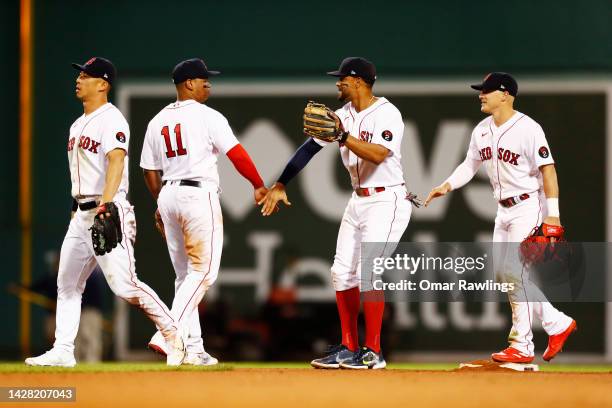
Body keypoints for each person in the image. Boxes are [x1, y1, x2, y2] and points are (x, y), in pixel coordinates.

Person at [25, 57, 186, 367]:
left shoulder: (112, 119)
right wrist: (78, 212)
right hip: (81, 214)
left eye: (86, 76)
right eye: (80, 75)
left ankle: (173, 332)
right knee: (67, 283)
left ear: (103, 84)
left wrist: (106, 205)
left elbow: (116, 161)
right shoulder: (76, 124)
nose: (79, 80)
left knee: (125, 285)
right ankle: (63, 350)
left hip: (107, 208)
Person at [259, 57, 416, 369]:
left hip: (388, 200)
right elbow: (308, 149)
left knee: (370, 271)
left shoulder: (387, 113)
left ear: (357, 81)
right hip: (358, 200)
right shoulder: (342, 114)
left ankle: (373, 351)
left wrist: (343, 137)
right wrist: (280, 183)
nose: (337, 83)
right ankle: (348, 346)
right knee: (341, 271)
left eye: (342, 78)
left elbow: (379, 154)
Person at [424, 72, 577, 363]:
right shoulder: (481, 129)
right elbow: (469, 165)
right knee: (505, 276)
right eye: (481, 91)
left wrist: (553, 216)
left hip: (527, 205)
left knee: (512, 272)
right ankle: (557, 322)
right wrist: (447, 185)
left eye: (487, 91)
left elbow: (548, 170)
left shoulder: (529, 128)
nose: (481, 95)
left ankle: (522, 344)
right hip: (502, 209)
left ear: (505, 94)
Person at [140, 58, 269, 366]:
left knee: (185, 276)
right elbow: (236, 154)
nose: (208, 82)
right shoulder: (208, 116)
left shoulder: (157, 120)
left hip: (169, 192)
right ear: (188, 84)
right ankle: (168, 332)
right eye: (202, 79)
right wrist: (258, 184)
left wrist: (159, 201)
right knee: (204, 273)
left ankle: (193, 349)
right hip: (197, 194)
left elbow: (148, 169)